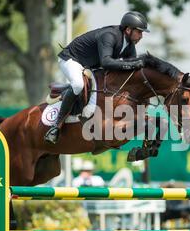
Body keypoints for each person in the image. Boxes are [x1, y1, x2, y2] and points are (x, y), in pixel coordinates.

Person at [45, 11, 151, 144]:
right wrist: (133, 64)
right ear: (129, 30)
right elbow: (106, 62)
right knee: (78, 84)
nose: (141, 36)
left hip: (89, 66)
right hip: (72, 59)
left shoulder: (129, 45)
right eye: (139, 32)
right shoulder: (109, 35)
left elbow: (130, 71)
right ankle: (56, 126)